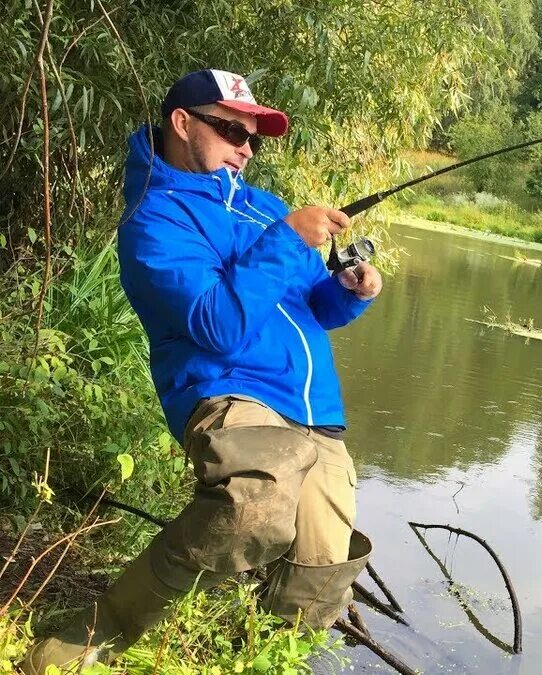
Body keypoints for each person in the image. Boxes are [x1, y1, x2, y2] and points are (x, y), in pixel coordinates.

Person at [22, 69, 382, 672]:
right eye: (230, 129)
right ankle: (81, 643)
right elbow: (216, 324)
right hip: (229, 391)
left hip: (316, 410)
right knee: (251, 507)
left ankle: (255, 660)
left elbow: (309, 303)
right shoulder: (154, 220)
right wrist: (288, 239)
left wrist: (350, 290)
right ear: (182, 124)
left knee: (321, 571)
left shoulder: (263, 207)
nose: (245, 147)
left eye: (253, 138)